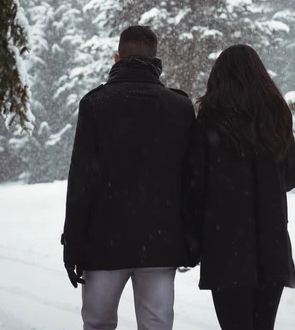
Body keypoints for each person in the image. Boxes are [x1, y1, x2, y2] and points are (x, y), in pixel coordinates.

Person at [61, 25, 196, 330]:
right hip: (161, 241)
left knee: (97, 323)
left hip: (103, 241)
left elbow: (80, 180)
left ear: (117, 57)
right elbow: (191, 180)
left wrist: (73, 242)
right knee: (156, 325)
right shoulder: (179, 106)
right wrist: (191, 237)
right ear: (156, 59)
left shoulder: (95, 104)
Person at [186, 44, 295, 330]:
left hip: (225, 246)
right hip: (271, 244)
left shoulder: (211, 117)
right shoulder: (277, 114)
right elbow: (292, 176)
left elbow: (195, 184)